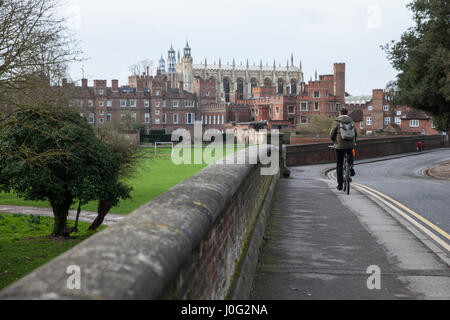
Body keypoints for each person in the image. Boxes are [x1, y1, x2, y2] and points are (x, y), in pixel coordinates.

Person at [330, 108, 357, 191]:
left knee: (339, 164)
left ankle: (340, 185)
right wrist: (354, 141)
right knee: (350, 153)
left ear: (340, 113)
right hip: (350, 144)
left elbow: (332, 133)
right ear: (347, 113)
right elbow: (355, 133)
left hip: (339, 145)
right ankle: (351, 166)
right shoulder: (351, 121)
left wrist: (333, 140)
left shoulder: (337, 121)